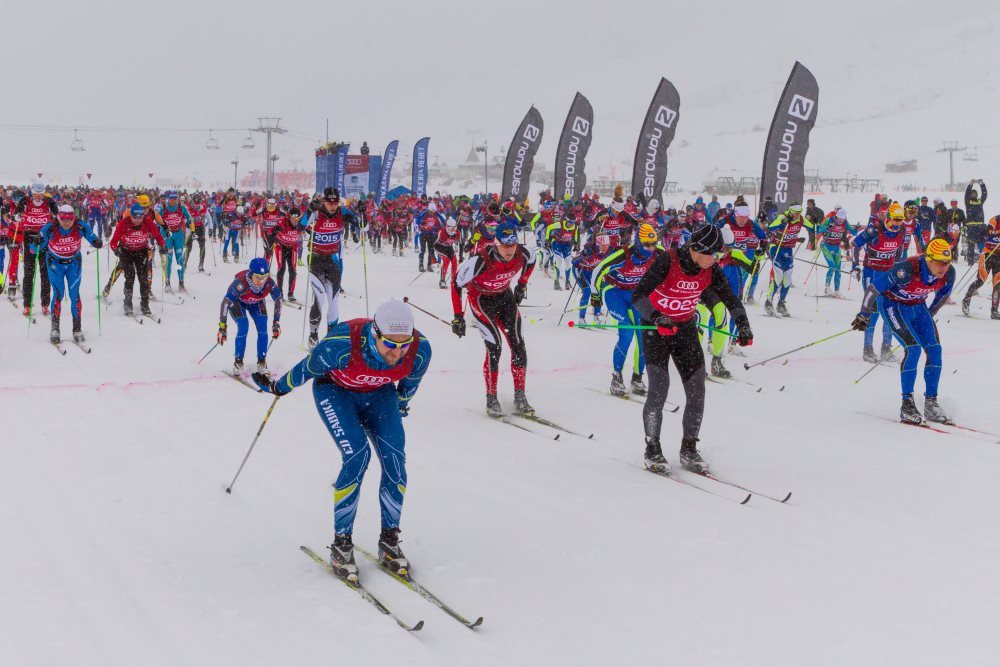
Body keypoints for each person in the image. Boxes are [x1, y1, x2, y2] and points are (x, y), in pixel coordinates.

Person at [251, 300, 432, 581]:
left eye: (403, 345)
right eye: (390, 344)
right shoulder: (341, 344)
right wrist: (277, 386)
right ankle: (342, 543)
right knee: (358, 456)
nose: (397, 352)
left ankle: (389, 540)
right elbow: (305, 369)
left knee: (396, 460)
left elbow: (408, 387)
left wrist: (401, 405)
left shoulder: (419, 351)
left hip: (379, 395)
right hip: (335, 392)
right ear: (375, 334)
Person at [632, 224, 753, 474]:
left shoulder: (711, 269)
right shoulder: (668, 260)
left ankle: (689, 448)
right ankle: (652, 447)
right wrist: (656, 317)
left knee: (697, 389)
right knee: (659, 389)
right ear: (699, 250)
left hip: (685, 330)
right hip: (657, 330)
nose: (718, 258)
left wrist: (743, 325)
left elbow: (730, 298)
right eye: (715, 254)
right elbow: (638, 296)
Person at [851, 238, 955, 424]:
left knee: (935, 350)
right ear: (928, 259)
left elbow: (943, 296)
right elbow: (874, 289)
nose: (943, 267)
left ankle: (931, 403)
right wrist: (864, 314)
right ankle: (907, 404)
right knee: (913, 349)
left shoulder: (949, 274)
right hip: (893, 305)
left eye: (947, 262)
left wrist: (929, 316)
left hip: (917, 307)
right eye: (939, 262)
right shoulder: (907, 269)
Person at [451, 219, 536, 418]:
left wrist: (522, 285)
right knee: (495, 347)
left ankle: (520, 396)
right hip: (481, 300)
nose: (510, 250)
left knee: (518, 345)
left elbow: (531, 261)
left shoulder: (523, 253)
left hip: (504, 298)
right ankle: (491, 397)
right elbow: (456, 283)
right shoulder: (480, 260)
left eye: (513, 244)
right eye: (506, 245)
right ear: (496, 242)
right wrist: (458, 317)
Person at [591, 223, 661, 396]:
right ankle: (617, 377)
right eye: (646, 245)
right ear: (638, 242)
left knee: (645, 335)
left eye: (653, 244)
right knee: (627, 331)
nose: (650, 248)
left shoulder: (658, 253)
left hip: (636, 295)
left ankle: (637, 378)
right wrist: (595, 295)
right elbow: (598, 270)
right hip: (614, 292)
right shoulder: (623, 254)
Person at [40, 205, 102, 344]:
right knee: (58, 294)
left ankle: (77, 328)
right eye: (63, 219)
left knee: (75, 295)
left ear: (74, 218)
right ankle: (55, 328)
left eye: (70, 219)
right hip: (55, 264)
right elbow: (37, 244)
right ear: (58, 217)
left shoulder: (80, 226)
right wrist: (35, 245)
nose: (67, 223)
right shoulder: (50, 227)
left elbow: (93, 237)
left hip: (74, 263)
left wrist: (97, 242)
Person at [852, 203, 905, 363]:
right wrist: (855, 266)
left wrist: (899, 267)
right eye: (896, 219)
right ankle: (867, 349)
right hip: (872, 272)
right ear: (889, 218)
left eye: (901, 219)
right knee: (873, 311)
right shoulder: (875, 229)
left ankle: (886, 349)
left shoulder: (901, 230)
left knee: (890, 311)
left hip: (888, 274)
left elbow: (900, 248)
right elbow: (855, 244)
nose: (898, 223)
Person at [306, 187, 357, 348]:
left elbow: (365, 227)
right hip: (316, 261)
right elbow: (300, 227)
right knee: (319, 300)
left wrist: (361, 214)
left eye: (335, 202)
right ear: (324, 201)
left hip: (333, 261)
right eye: (330, 202)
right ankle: (313, 336)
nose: (333, 206)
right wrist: (309, 211)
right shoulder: (316, 212)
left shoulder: (343, 212)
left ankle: (331, 337)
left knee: (334, 302)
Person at [218, 258, 282, 374]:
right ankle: (238, 362)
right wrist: (222, 327)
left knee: (263, 328)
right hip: (238, 302)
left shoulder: (269, 283)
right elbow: (226, 302)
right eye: (258, 277)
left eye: (265, 276)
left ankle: (261, 362)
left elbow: (278, 300)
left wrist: (276, 323)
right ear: (251, 274)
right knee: (243, 326)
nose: (261, 281)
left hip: (256, 302)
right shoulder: (241, 283)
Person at [109, 202, 165, 317]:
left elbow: (157, 235)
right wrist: (116, 250)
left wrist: (163, 245)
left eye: (140, 217)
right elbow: (113, 241)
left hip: (141, 251)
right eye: (135, 217)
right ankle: (128, 303)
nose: (138, 220)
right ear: (131, 216)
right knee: (130, 278)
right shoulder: (124, 223)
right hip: (126, 252)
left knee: (143, 279)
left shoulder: (147, 221)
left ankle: (145, 304)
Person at [15, 182, 58, 316]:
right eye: (35, 194)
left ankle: (45, 304)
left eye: (40, 194)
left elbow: (58, 215)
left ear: (43, 193)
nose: (38, 197)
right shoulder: (25, 201)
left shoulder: (49, 201)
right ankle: (27, 305)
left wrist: (56, 218)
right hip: (29, 238)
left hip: (44, 238)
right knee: (29, 273)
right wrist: (18, 216)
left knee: (45, 273)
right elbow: (16, 215)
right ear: (31, 193)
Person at [763, 202, 807, 317]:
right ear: (791, 212)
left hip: (788, 250)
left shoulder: (801, 219)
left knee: (787, 277)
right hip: (776, 248)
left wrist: (817, 223)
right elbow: (770, 228)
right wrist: (782, 223)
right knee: (778, 276)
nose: (797, 215)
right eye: (795, 213)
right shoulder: (782, 217)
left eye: (799, 213)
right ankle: (768, 301)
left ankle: (781, 303)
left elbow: (813, 227)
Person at [961, 213, 1000, 319]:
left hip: (999, 258)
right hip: (988, 254)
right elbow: (990, 237)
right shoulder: (995, 219)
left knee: (998, 284)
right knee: (980, 281)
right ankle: (966, 300)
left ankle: (994, 311)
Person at [158, 191, 192, 292]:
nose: (173, 200)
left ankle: (181, 283)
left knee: (179, 260)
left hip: (178, 235)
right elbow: (157, 220)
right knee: (168, 260)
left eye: (175, 198)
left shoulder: (182, 207)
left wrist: (192, 229)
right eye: (171, 198)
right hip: (167, 235)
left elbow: (189, 218)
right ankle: (167, 283)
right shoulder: (162, 208)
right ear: (168, 199)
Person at [816, 208, 851, 296]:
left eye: (843, 218)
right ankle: (827, 288)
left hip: (836, 248)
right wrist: (827, 228)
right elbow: (820, 230)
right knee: (832, 267)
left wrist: (856, 229)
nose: (841, 220)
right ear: (836, 216)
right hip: (826, 247)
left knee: (838, 270)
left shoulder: (845, 222)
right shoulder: (829, 220)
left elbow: (853, 232)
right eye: (840, 218)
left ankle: (837, 290)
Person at [274, 207, 305, 301]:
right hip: (281, 246)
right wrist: (274, 237)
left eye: (298, 217)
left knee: (293, 271)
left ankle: (291, 294)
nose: (296, 220)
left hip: (292, 247)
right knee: (282, 269)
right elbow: (272, 231)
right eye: (293, 217)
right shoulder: (282, 222)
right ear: (289, 216)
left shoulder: (301, 224)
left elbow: (310, 229)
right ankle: (279, 293)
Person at [963, 179, 988, 265]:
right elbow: (966, 195)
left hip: (980, 227)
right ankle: (970, 262)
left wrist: (982, 185)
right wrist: (970, 185)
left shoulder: (980, 201)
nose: (973, 195)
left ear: (977, 195)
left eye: (975, 194)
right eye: (972, 194)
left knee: (984, 243)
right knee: (971, 245)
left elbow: (984, 195)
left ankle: (984, 260)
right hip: (971, 228)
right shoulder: (968, 202)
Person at [433, 217, 461, 289]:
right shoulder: (441, 232)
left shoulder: (457, 233)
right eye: (450, 228)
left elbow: (461, 244)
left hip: (448, 247)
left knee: (454, 261)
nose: (452, 230)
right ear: (447, 227)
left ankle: (454, 280)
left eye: (454, 228)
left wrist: (461, 256)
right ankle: (442, 280)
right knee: (446, 260)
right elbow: (432, 243)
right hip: (439, 247)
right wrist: (432, 256)